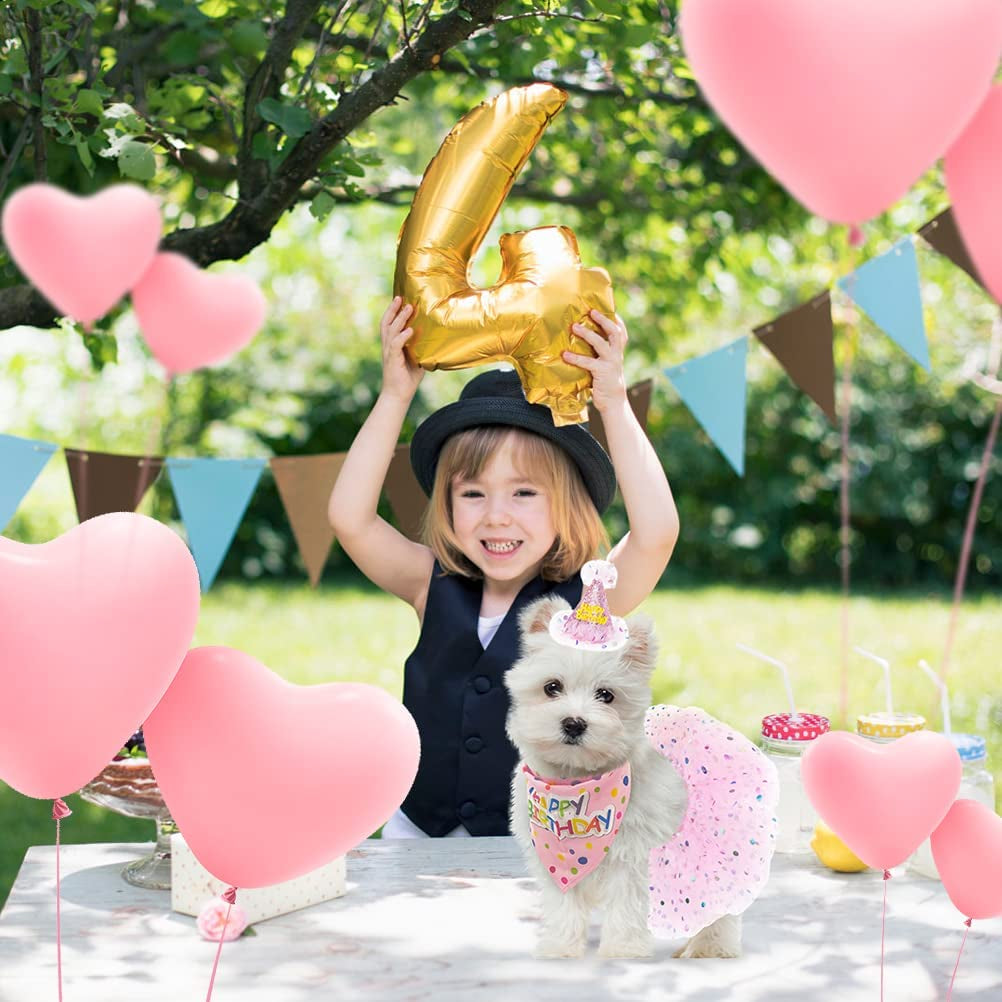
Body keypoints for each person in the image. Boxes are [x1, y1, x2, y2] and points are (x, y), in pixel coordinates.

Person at [328, 296, 679, 838]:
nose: (496, 517)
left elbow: (657, 535)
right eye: (472, 493)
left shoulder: (587, 601)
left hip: (538, 839)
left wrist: (613, 401)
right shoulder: (428, 582)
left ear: (567, 503)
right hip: (420, 830)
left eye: (523, 492)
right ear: (445, 502)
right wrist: (396, 395)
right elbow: (350, 519)